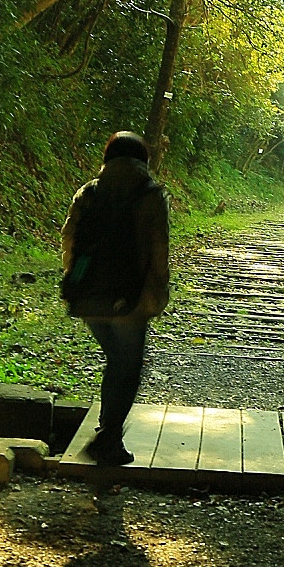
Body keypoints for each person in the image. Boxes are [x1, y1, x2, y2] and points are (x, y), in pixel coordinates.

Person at [61, 131, 170, 465]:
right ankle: (108, 437)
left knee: (118, 362)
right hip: (130, 300)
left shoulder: (89, 192)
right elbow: (158, 251)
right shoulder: (150, 195)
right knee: (128, 365)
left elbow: (69, 239)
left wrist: (77, 282)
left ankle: (107, 431)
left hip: (90, 298)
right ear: (143, 160)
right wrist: (158, 293)